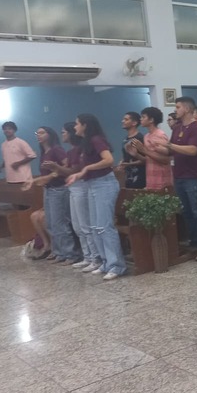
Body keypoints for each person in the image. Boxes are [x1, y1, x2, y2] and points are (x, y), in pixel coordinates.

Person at [67, 114, 126, 280]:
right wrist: (79, 174)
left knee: (105, 226)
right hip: (92, 185)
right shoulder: (86, 143)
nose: (75, 127)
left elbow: (108, 160)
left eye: (77, 124)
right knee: (95, 227)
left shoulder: (96, 139)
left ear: (85, 125)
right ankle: (105, 262)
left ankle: (116, 266)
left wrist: (87, 169)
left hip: (104, 184)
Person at [45, 122, 100, 272]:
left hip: (81, 187)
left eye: (64, 132)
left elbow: (74, 170)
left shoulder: (80, 149)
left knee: (85, 225)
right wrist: (56, 169)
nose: (62, 134)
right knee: (77, 226)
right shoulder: (70, 151)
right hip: (73, 188)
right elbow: (67, 170)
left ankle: (95, 258)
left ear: (71, 133)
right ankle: (87, 257)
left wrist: (56, 167)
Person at [164, 96, 197, 262]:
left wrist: (170, 146)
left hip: (194, 177)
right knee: (187, 212)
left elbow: (192, 150)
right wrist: (147, 150)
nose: (175, 110)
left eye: (178, 107)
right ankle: (194, 243)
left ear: (187, 109)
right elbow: (170, 151)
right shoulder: (177, 127)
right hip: (179, 175)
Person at [33, 126, 80, 265]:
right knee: (50, 223)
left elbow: (67, 167)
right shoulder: (44, 152)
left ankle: (70, 253)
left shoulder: (56, 149)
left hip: (59, 189)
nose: (38, 135)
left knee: (60, 223)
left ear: (49, 134)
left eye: (42, 133)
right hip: (48, 189)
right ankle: (59, 252)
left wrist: (53, 172)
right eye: (37, 133)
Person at [131, 107, 172, 190]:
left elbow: (166, 160)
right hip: (151, 178)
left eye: (143, 117)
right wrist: (136, 154)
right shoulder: (146, 136)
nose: (140, 119)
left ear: (151, 120)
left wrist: (144, 151)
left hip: (161, 179)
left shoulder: (159, 135)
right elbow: (149, 159)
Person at [118, 112, 146, 189]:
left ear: (134, 123)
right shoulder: (126, 139)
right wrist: (122, 162)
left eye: (126, 119)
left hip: (139, 177)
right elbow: (126, 155)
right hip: (128, 176)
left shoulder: (139, 138)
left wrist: (129, 164)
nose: (123, 121)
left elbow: (145, 159)